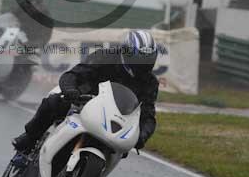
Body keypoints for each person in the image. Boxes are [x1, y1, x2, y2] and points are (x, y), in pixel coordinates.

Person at [13, 29, 161, 153]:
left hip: (114, 119)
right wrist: (71, 90)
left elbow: (148, 113)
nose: (142, 64)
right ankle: (29, 138)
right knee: (53, 102)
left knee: (121, 150)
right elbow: (74, 74)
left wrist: (142, 136)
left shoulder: (150, 82)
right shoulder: (105, 56)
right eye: (138, 58)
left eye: (147, 60)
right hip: (83, 101)